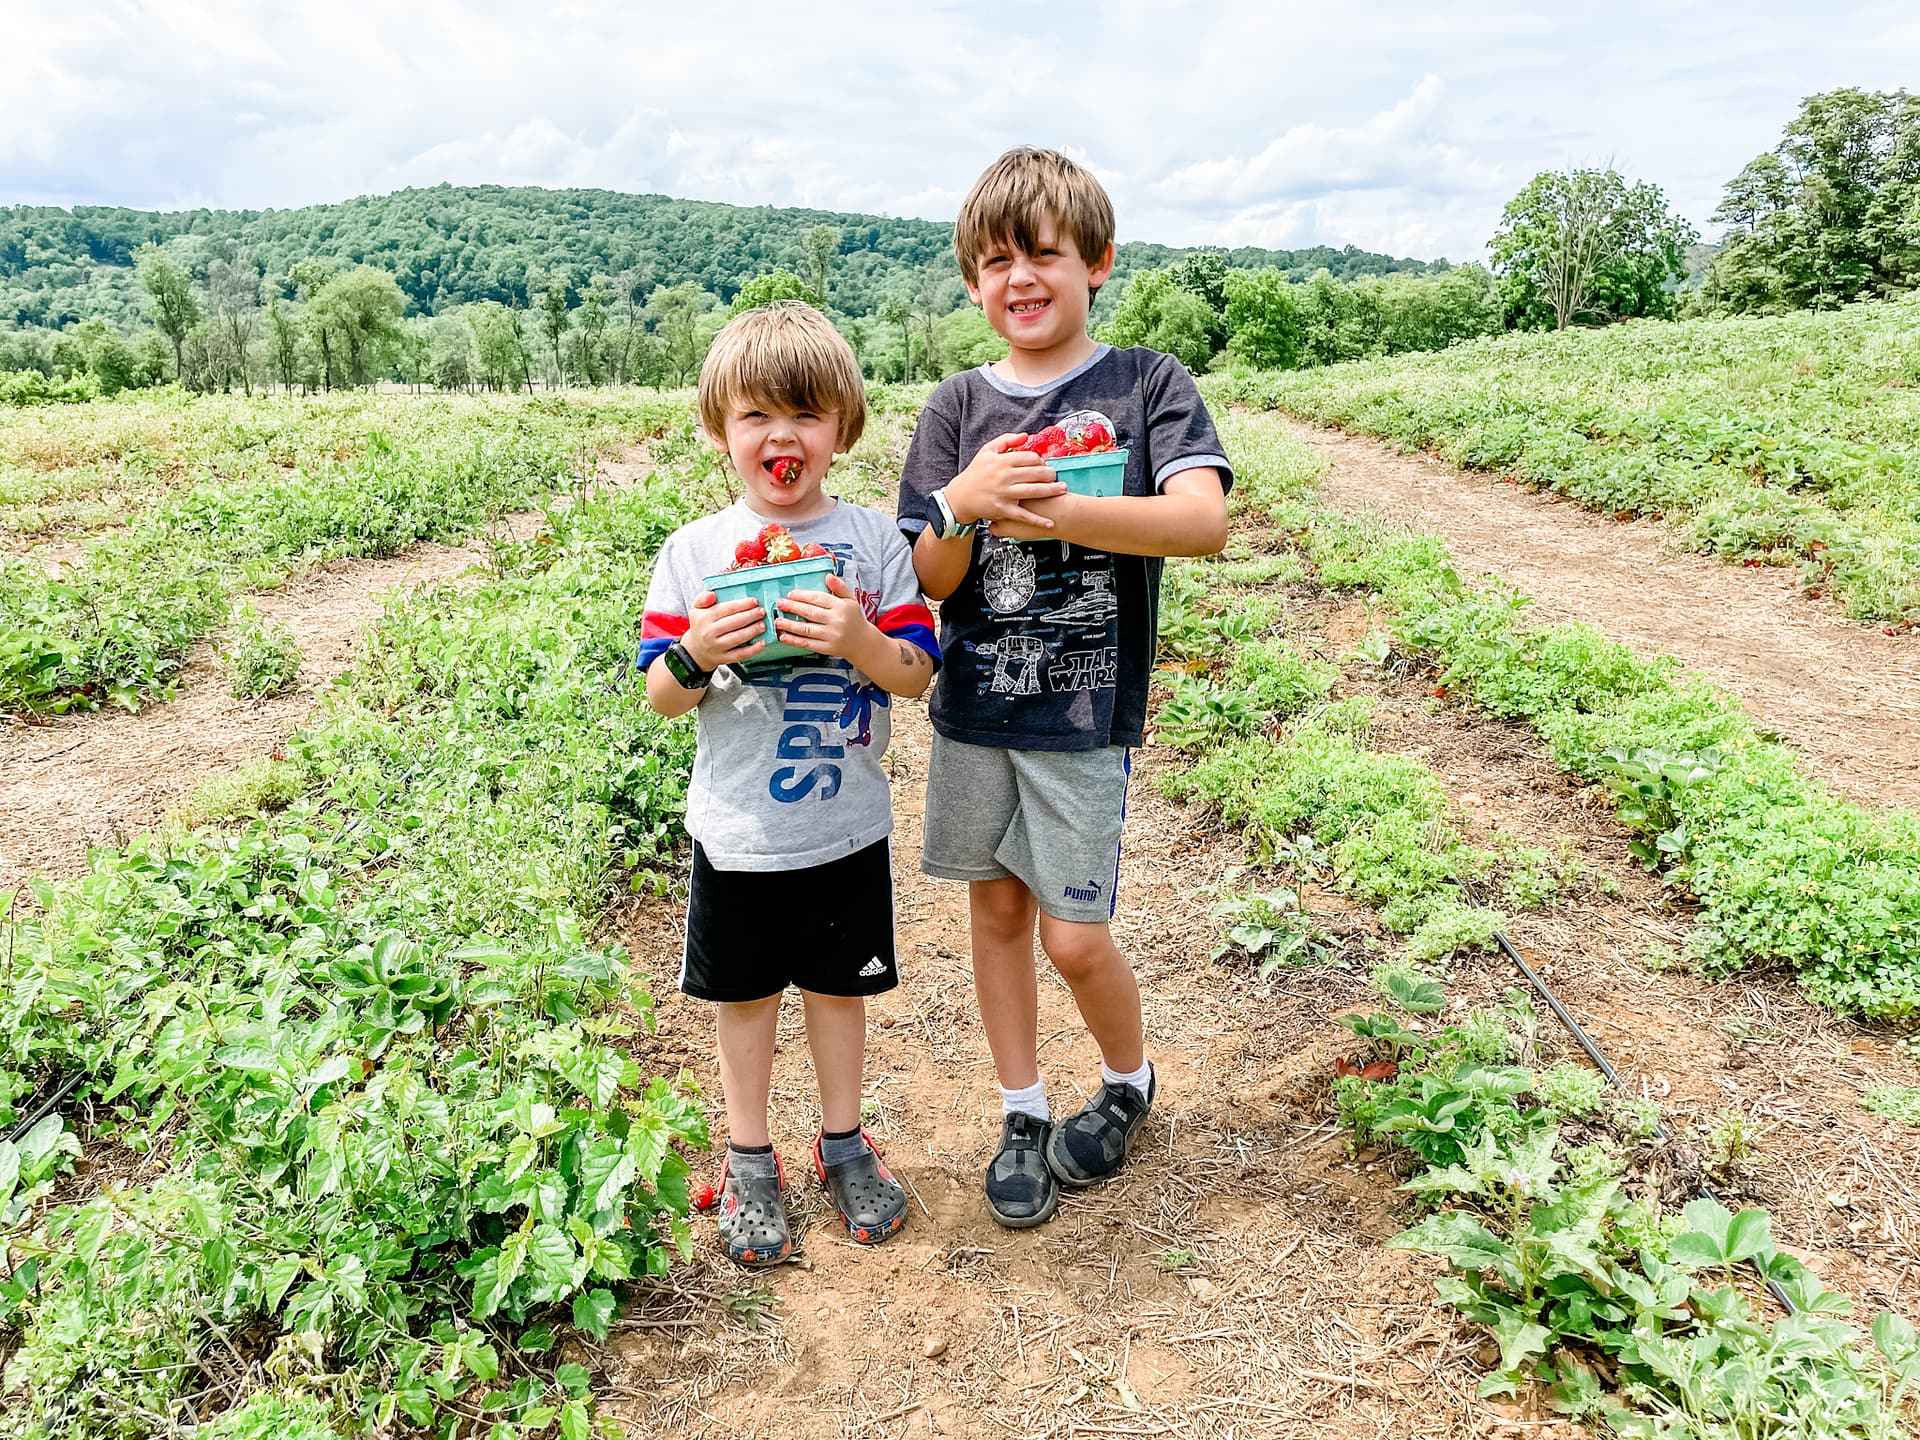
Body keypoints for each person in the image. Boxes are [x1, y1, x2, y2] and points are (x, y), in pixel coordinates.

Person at [897, 147, 1232, 1228]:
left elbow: (1202, 522)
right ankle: (1023, 1109)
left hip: (1084, 714)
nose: (1020, 278)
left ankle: (1129, 1083)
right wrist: (961, 500)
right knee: (995, 911)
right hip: (977, 710)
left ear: (1098, 260)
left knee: (1072, 934)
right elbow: (933, 575)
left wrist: (1054, 512)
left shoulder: (1144, 386)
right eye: (994, 260)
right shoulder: (956, 407)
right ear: (972, 282)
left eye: (1043, 252)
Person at [640, 301, 940, 1265]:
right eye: (756, 416)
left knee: (836, 992)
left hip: (846, 825)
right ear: (719, 430)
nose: (783, 436)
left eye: (807, 414)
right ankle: (750, 1157)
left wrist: (860, 637)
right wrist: (694, 652)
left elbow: (914, 673)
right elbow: (659, 694)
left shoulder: (874, 545)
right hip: (737, 832)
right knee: (747, 999)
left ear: (841, 428)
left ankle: (844, 1144)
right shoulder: (695, 554)